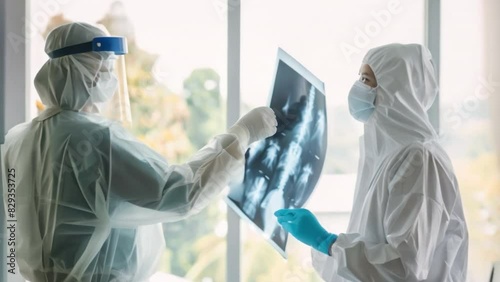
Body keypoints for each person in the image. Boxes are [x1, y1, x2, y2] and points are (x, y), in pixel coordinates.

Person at [1, 22, 277, 282]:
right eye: (104, 67)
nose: (109, 78)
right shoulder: (95, 139)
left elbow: (14, 232)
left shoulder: (17, 139)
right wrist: (242, 134)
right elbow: (180, 192)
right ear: (85, 73)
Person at [275, 43, 468, 281]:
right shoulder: (388, 154)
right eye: (360, 78)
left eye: (366, 79)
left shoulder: (418, 159)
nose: (357, 88)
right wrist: (326, 245)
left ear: (396, 88)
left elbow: (403, 269)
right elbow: (371, 251)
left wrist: (326, 242)